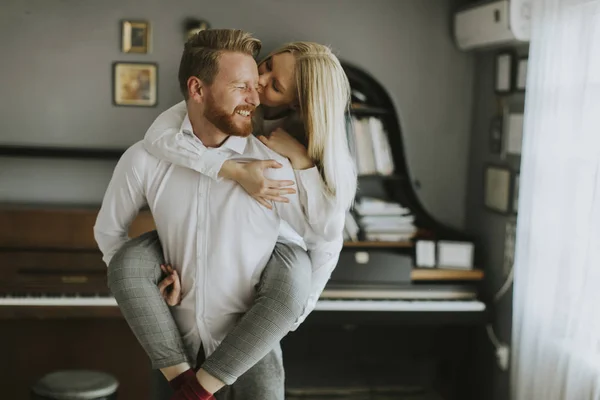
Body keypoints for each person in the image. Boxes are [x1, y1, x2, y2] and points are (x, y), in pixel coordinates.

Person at [96, 30, 356, 400]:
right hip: (177, 344)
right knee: (127, 261)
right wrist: (147, 294)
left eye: (265, 86)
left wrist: (291, 312)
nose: (256, 95)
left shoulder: (276, 165)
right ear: (197, 89)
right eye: (244, 85)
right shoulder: (148, 156)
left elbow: (325, 238)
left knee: (293, 268)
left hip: (254, 350)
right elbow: (110, 234)